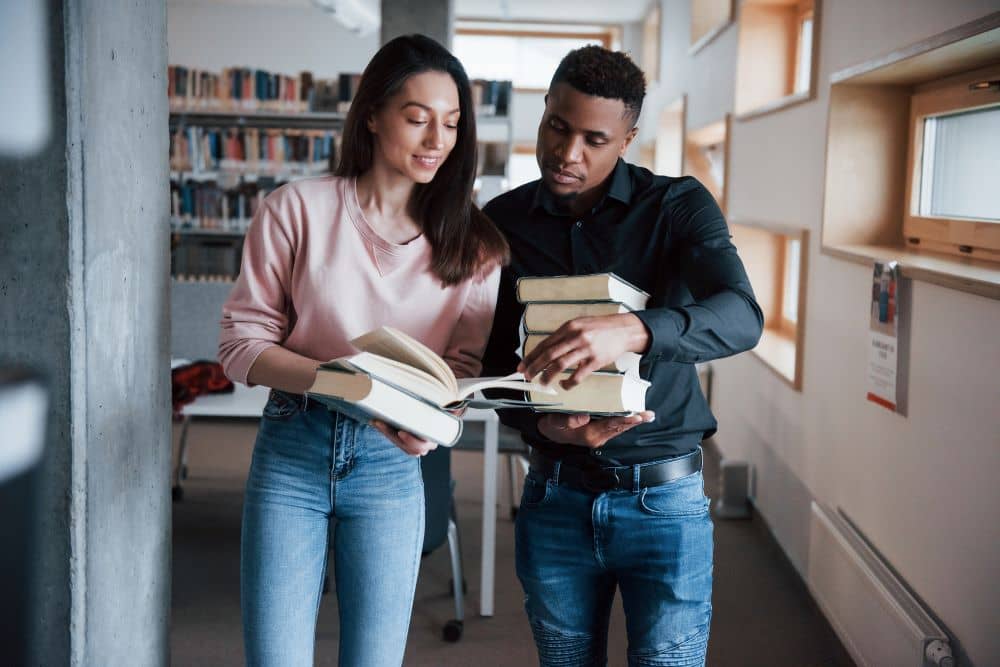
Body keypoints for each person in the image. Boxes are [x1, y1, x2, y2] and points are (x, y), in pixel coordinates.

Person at [218, 34, 508, 667]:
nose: (438, 140)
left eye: (453, 124)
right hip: (293, 448)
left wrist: (437, 419)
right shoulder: (295, 209)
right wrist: (341, 382)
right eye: (418, 118)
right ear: (373, 115)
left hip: (392, 463)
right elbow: (241, 347)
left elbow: (460, 370)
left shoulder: (477, 246)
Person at [481, 45, 763, 666]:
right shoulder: (500, 221)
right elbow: (493, 365)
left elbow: (743, 317)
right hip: (553, 495)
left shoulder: (677, 205)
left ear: (628, 139)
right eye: (557, 125)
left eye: (593, 138)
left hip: (664, 504)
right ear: (545, 107)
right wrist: (539, 422)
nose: (567, 153)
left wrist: (631, 329)